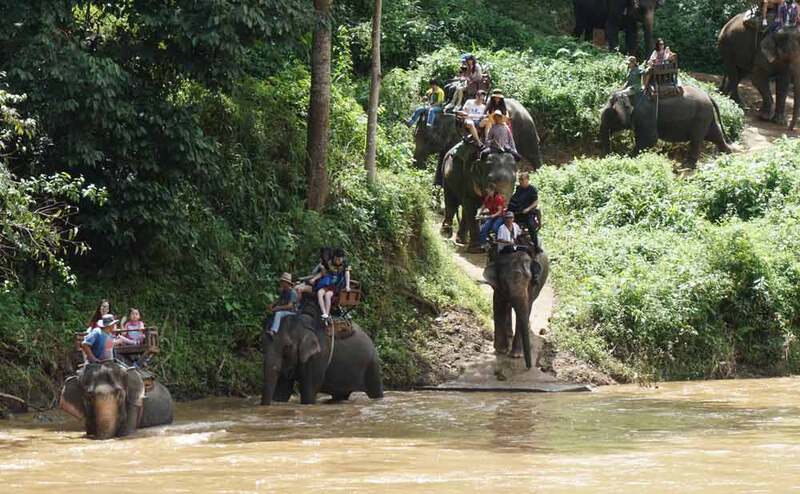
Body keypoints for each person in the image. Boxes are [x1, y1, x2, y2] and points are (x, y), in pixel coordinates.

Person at [315, 249, 351, 321]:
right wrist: (321, 267)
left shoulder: (345, 264)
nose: (338, 260)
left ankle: (327, 315)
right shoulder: (329, 262)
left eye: (340, 258)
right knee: (319, 293)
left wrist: (347, 285)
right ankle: (324, 313)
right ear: (334, 257)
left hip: (337, 286)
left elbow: (347, 273)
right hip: (327, 284)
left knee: (328, 295)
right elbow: (323, 273)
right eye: (337, 258)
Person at [507, 172, 540, 248]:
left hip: (527, 213)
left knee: (530, 225)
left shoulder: (532, 189)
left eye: (522, 179)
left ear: (527, 180)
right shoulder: (519, 188)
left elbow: (536, 201)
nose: (520, 181)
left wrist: (528, 209)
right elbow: (514, 199)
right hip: (517, 212)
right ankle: (510, 243)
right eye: (519, 179)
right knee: (506, 221)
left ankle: (536, 245)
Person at [478, 183, 506, 248]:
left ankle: (500, 242)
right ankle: (484, 244)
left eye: (489, 191)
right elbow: (483, 207)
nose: (488, 192)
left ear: (493, 190)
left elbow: (499, 211)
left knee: (495, 228)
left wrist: (493, 215)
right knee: (484, 228)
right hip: (492, 216)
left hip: (500, 216)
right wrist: (478, 213)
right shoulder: (488, 198)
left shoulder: (498, 198)